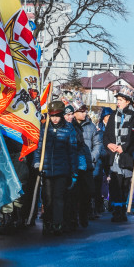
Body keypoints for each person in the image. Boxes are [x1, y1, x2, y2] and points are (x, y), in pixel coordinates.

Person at [33, 100, 84, 236]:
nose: (54, 118)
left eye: (57, 115)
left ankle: (58, 223)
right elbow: (39, 148)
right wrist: (37, 163)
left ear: (61, 115)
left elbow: (73, 152)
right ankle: (47, 223)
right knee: (47, 198)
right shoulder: (45, 128)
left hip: (62, 170)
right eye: (52, 115)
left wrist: (74, 172)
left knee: (58, 197)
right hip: (47, 170)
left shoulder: (69, 129)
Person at [104, 93, 134, 223]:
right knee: (116, 183)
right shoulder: (114, 116)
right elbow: (106, 134)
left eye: (120, 100)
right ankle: (116, 211)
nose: (118, 102)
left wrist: (124, 147)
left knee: (125, 184)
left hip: (127, 156)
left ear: (127, 101)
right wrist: (109, 144)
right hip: (115, 156)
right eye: (117, 100)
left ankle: (123, 210)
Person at [73, 104, 99, 227]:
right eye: (81, 111)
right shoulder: (71, 126)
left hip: (88, 164)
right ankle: (75, 218)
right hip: (75, 164)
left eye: (85, 112)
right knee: (75, 193)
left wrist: (93, 156)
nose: (84, 114)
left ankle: (84, 216)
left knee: (87, 192)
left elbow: (98, 144)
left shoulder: (91, 126)